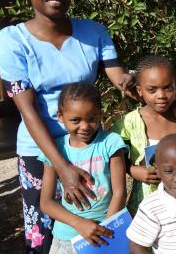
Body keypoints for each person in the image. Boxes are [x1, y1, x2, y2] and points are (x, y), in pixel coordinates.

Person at [0, 0, 133, 252]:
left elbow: (117, 75)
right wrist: (62, 167)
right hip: (41, 153)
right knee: (44, 236)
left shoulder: (94, 33)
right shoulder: (11, 41)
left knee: (94, 227)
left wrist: (134, 83)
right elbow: (27, 110)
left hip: (87, 147)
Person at [39, 82, 127, 253]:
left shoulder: (111, 143)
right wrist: (80, 224)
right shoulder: (55, 150)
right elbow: (46, 203)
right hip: (66, 238)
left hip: (104, 235)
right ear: (60, 117)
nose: (85, 126)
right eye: (75, 120)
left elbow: (120, 193)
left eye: (92, 118)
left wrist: (105, 231)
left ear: (100, 114)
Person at [112, 55, 176, 215]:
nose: (161, 95)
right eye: (152, 90)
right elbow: (116, 157)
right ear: (139, 90)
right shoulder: (129, 123)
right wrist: (132, 170)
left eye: (168, 87)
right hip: (144, 205)